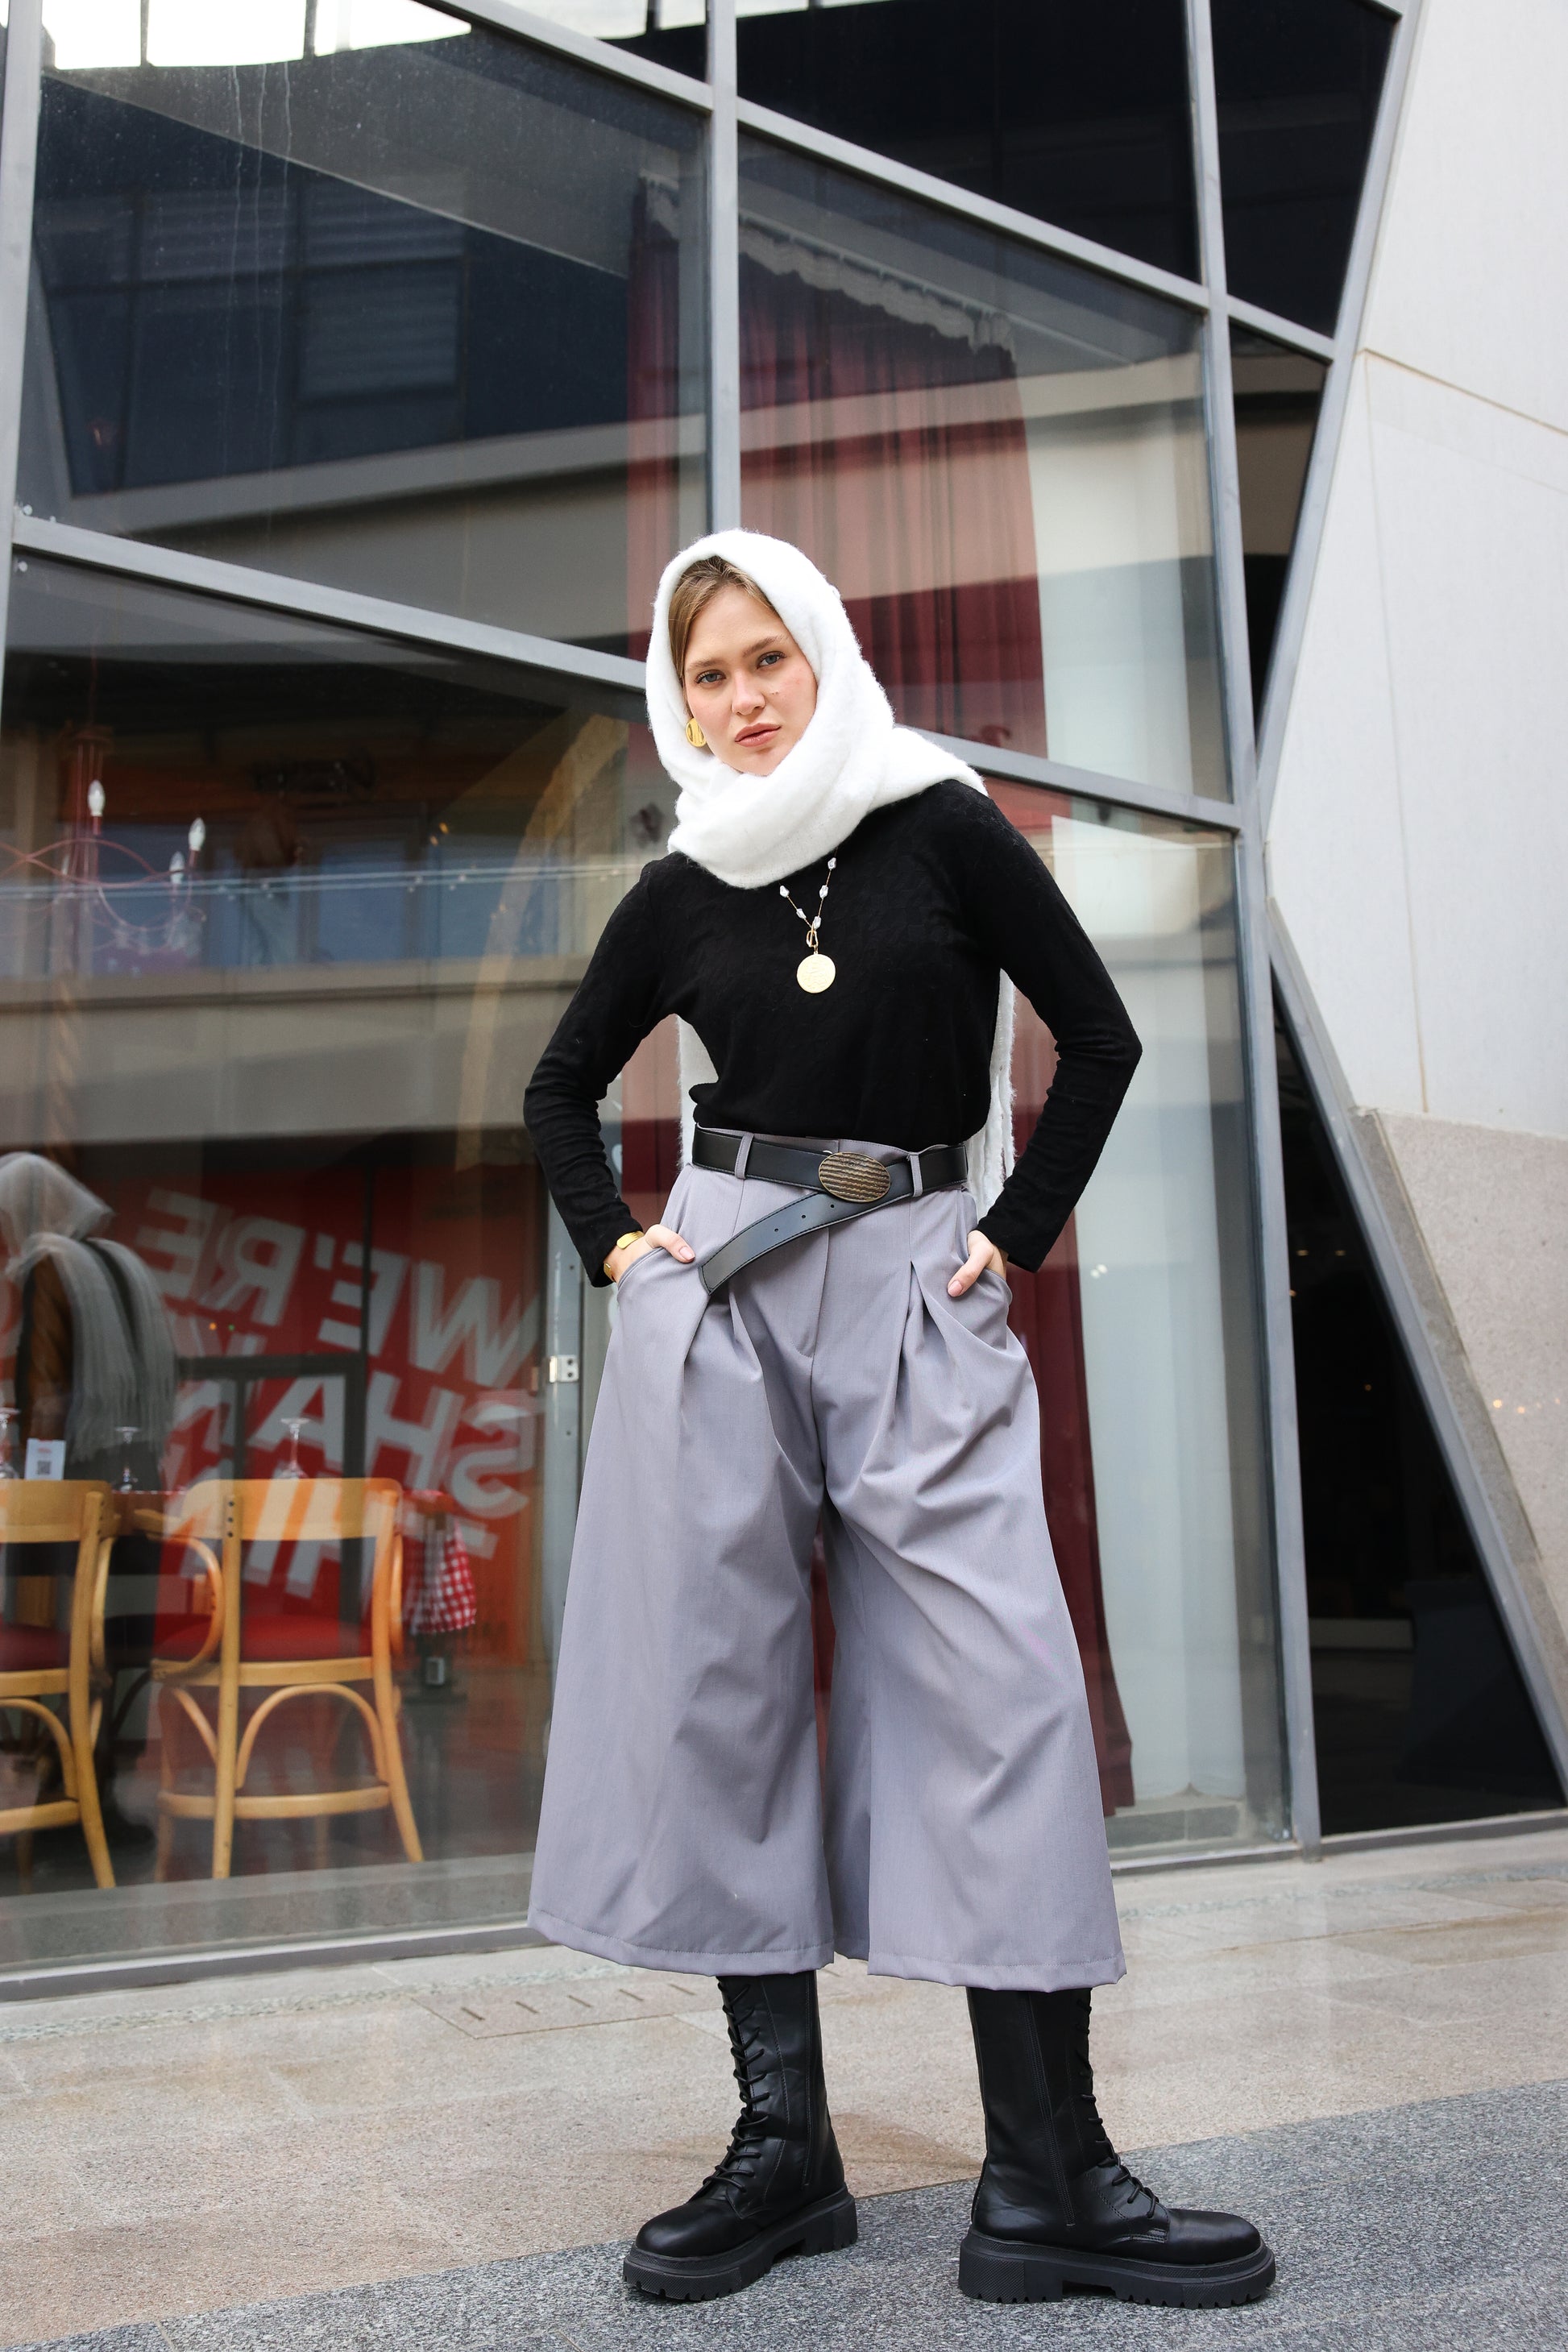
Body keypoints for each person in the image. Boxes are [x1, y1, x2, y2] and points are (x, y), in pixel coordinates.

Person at [523, 531, 1274, 2311]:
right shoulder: (686, 878)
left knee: (1000, 1688)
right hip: (724, 1283)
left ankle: (1048, 2174)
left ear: (823, 651)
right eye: (708, 675)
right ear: (679, 700)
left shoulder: (938, 821)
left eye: (765, 658)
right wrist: (622, 1251)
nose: (742, 699)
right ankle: (784, 2148)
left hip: (919, 1274)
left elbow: (1097, 1038)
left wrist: (1013, 1231)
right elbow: (560, 1086)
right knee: (719, 1690)